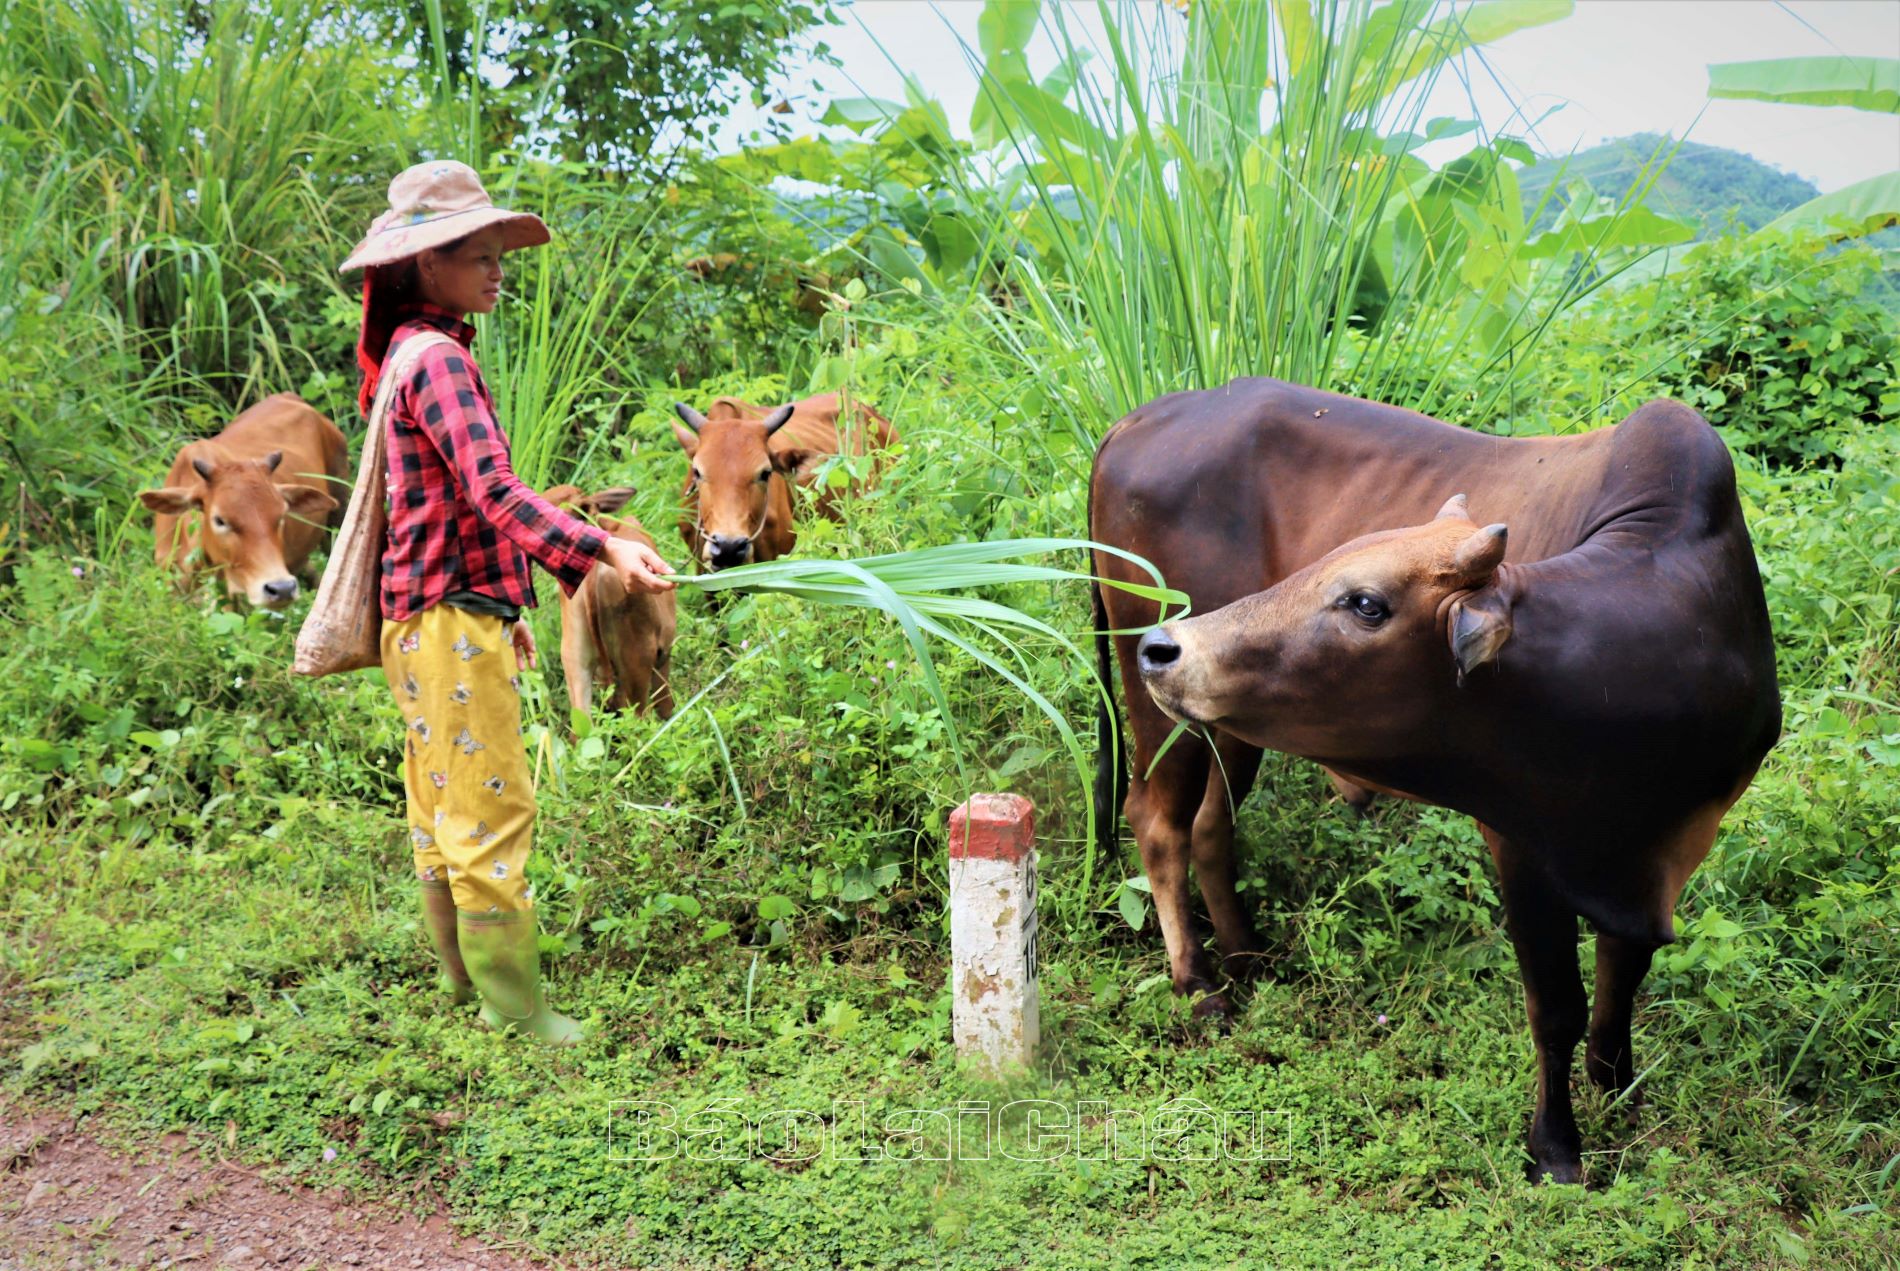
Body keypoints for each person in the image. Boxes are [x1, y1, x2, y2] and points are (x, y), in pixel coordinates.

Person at [339, 160, 675, 1044]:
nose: (495, 268)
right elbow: (494, 490)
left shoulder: (407, 354)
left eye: (496, 252)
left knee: (441, 801)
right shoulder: (441, 361)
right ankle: (516, 1012)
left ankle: (463, 985)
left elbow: (443, 506)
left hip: (424, 620)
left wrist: (510, 604)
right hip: (447, 620)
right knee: (491, 809)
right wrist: (602, 544)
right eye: (474, 253)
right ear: (422, 266)